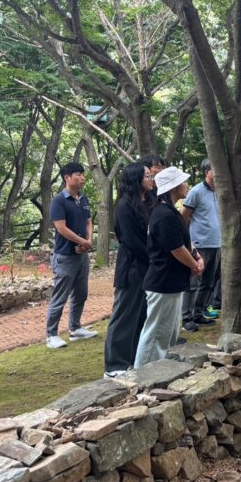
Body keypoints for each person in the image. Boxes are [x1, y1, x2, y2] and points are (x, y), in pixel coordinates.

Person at [136, 167, 204, 366]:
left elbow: (183, 243)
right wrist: (195, 265)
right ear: (173, 186)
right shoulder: (164, 214)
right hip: (163, 282)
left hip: (170, 282)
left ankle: (157, 372)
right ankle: (142, 374)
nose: (186, 185)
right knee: (156, 333)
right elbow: (176, 248)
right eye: (183, 182)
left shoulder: (168, 212)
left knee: (166, 333)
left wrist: (195, 256)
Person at [103, 162, 155, 378]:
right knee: (124, 315)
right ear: (136, 180)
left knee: (141, 315)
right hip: (132, 267)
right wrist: (155, 258)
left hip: (148, 266)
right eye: (147, 176)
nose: (151, 179)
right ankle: (114, 365)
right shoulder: (125, 206)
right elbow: (133, 241)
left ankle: (133, 359)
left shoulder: (150, 202)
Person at [46, 162, 98, 348]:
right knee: (60, 296)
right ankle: (51, 334)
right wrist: (82, 242)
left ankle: (75, 329)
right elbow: (61, 228)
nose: (82, 177)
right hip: (65, 257)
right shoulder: (59, 200)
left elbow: (88, 222)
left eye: (83, 175)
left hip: (81, 256)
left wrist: (88, 241)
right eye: (78, 174)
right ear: (66, 177)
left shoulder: (83, 198)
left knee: (81, 294)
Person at [181, 158, 221, 331]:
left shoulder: (221, 191)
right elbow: (184, 216)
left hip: (217, 243)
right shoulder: (196, 192)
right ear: (207, 172)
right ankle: (186, 317)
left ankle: (199, 313)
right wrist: (189, 242)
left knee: (208, 282)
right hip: (199, 243)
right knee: (193, 282)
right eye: (215, 169)